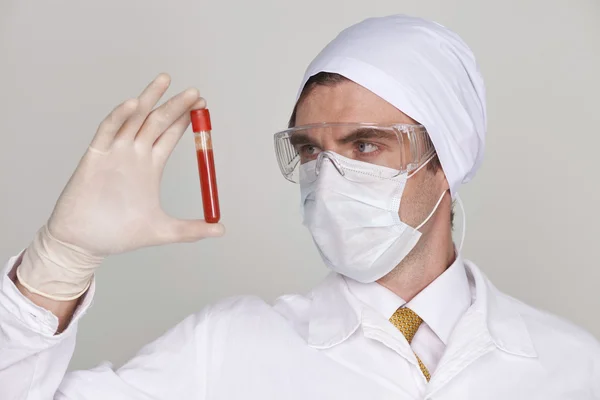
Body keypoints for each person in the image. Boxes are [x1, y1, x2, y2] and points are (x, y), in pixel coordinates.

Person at [1, 14, 598, 400]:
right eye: (310, 150)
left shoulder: (576, 369)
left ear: (445, 159)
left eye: (365, 145)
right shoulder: (227, 349)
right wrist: (57, 267)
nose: (329, 176)